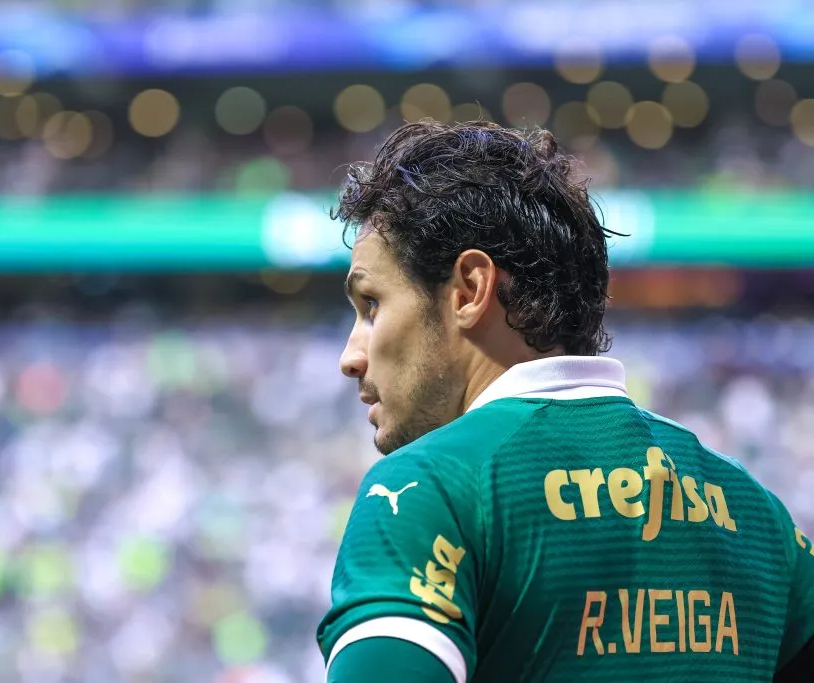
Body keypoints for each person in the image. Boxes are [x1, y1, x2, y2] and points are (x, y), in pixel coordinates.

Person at [317, 119, 814, 683]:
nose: (350, 356)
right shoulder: (761, 517)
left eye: (372, 303)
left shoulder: (425, 491)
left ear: (470, 291)